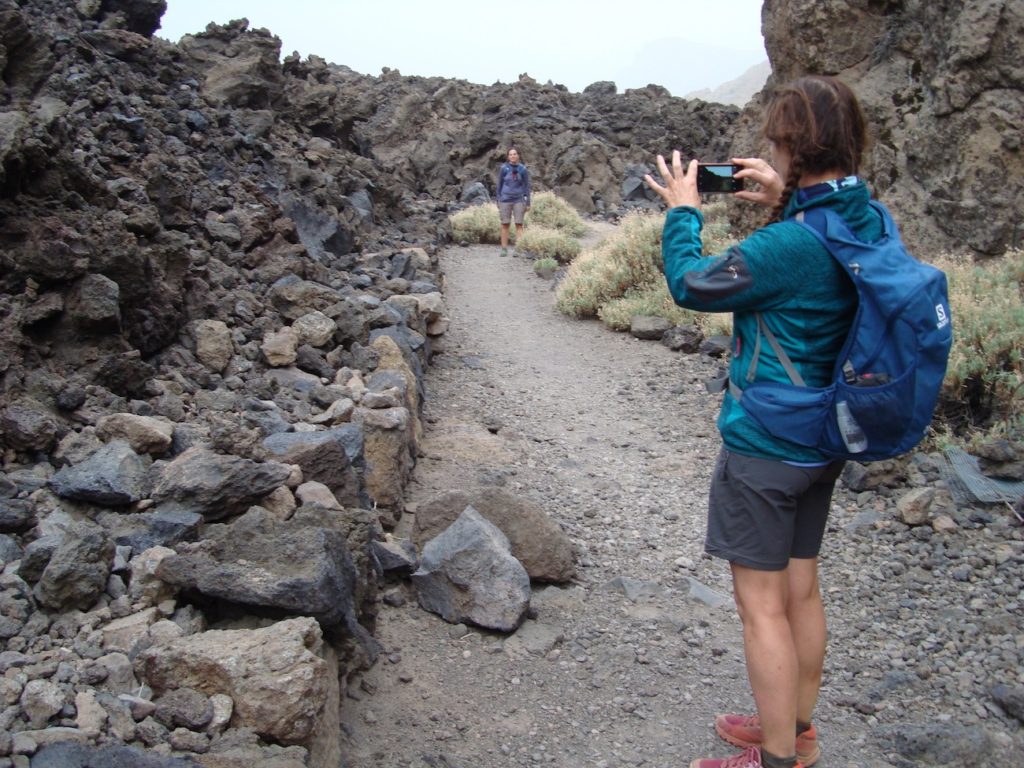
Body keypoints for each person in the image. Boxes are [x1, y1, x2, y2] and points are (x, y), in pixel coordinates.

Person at [644, 75, 877, 768]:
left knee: (760, 607)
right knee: (800, 587)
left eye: (778, 142)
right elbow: (823, 245)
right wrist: (787, 197)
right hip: (822, 440)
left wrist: (685, 211)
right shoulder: (864, 215)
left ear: (792, 146)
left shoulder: (789, 249)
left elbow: (692, 284)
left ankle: (777, 758)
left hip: (767, 445)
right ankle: (796, 730)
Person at [496, 147, 531, 256]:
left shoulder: (523, 169)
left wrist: (528, 201)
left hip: (519, 200)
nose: (513, 156)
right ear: (508, 157)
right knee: (505, 224)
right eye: (511, 154)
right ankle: (504, 249)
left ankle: (518, 249)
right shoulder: (504, 168)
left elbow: (527, 186)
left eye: (515, 154)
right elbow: (499, 184)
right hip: (505, 199)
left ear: (518, 156)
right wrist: (498, 199)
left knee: (519, 224)